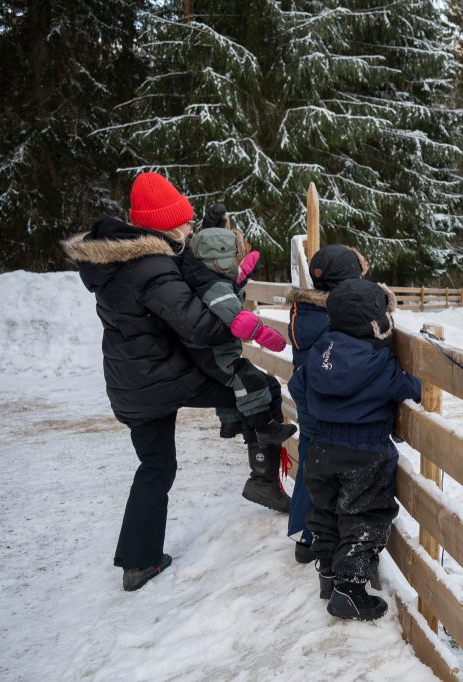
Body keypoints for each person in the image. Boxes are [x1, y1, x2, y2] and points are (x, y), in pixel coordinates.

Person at [59, 172, 281, 591]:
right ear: (161, 226)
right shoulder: (153, 267)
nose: (188, 228)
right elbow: (197, 327)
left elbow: (186, 281)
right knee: (259, 389)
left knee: (155, 465)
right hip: (164, 378)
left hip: (131, 382)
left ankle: (138, 562)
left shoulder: (119, 262)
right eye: (182, 222)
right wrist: (235, 321)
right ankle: (262, 478)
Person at [288, 278, 421, 620]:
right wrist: (420, 385)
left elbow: (297, 385)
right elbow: (407, 387)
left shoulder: (320, 350)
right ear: (377, 323)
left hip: (320, 448)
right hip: (364, 452)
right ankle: (351, 588)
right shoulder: (379, 360)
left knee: (328, 512)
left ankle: (329, 575)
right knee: (364, 517)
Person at [177, 207, 296, 512]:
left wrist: (239, 280)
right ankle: (261, 435)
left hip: (214, 351)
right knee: (251, 381)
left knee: (267, 386)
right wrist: (265, 334)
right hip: (212, 355)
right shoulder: (212, 284)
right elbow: (235, 317)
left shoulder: (202, 273)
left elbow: (225, 292)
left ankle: (262, 479)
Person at [284, 245, 368, 564]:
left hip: (308, 401)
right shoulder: (341, 315)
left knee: (311, 459)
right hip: (332, 406)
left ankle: (305, 537)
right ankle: (331, 539)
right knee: (334, 468)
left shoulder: (304, 312)